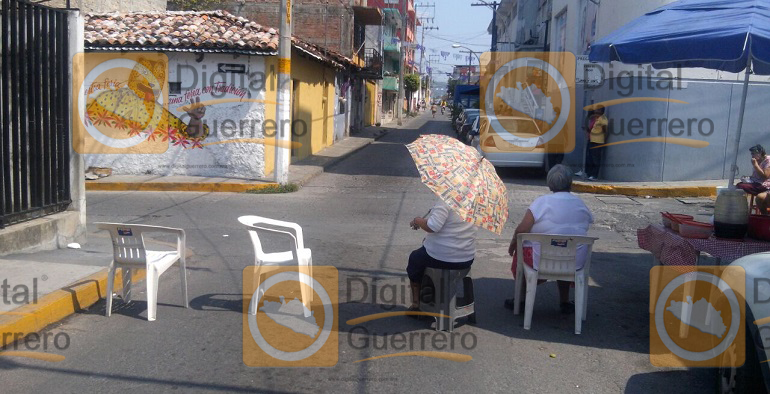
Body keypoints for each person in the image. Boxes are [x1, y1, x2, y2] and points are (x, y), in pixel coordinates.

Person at [504, 164, 594, 313]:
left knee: (522, 250)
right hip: (573, 263)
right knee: (565, 249)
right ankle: (564, 301)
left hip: (541, 261)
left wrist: (512, 245)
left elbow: (522, 229)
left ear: (549, 183)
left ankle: (521, 299)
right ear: (570, 183)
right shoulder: (581, 204)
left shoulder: (542, 202)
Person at [407, 200, 478, 314]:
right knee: (425, 253)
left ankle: (416, 305)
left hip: (442, 258)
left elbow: (433, 226)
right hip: (466, 258)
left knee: (415, 258)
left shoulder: (445, 202)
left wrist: (418, 220)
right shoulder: (474, 202)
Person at [736, 144, 770, 214]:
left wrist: (755, 165)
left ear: (760, 153)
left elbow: (765, 176)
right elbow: (756, 175)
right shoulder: (757, 160)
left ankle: (765, 214)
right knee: (739, 185)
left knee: (741, 186)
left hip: (764, 184)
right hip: (756, 182)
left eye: (753, 154)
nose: (752, 156)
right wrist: (748, 178)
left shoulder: (768, 160)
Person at [584, 106, 608, 181]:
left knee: (596, 159)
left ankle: (595, 175)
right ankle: (590, 174)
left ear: (601, 111)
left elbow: (605, 130)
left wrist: (604, 139)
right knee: (590, 158)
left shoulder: (603, 119)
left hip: (598, 141)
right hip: (592, 140)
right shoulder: (597, 118)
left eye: (598, 110)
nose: (596, 112)